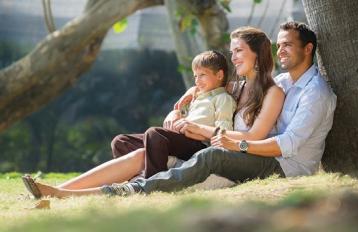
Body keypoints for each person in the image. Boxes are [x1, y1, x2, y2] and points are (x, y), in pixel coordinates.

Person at [22, 26, 286, 198]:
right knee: (125, 144)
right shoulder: (239, 85)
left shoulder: (270, 91)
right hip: (199, 138)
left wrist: (198, 129)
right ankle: (54, 190)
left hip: (218, 151)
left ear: (258, 54)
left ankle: (148, 182)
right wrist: (182, 103)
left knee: (153, 136)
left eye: (239, 51)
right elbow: (206, 86)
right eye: (233, 52)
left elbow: (253, 136)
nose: (234, 57)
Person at [98, 21, 336, 196]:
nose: (281, 49)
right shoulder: (283, 82)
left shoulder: (315, 93)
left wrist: (235, 143)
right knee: (126, 142)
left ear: (308, 49)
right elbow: (213, 85)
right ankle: (96, 187)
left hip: (287, 166)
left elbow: (287, 144)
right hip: (256, 152)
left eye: (288, 45)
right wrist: (181, 104)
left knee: (208, 153)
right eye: (280, 44)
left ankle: (140, 188)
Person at [22, 50, 236, 198]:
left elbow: (222, 136)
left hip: (199, 147)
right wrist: (177, 113)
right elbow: (182, 114)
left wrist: (194, 130)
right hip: (182, 139)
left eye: (203, 75)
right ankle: (60, 189)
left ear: (219, 75)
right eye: (195, 76)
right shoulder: (198, 96)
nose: (197, 80)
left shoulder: (222, 99)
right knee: (121, 141)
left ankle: (152, 184)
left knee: (154, 134)